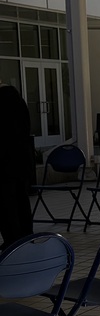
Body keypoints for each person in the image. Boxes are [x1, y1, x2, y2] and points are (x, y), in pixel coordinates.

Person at [0, 82, 35, 249]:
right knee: (21, 201)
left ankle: (12, 243)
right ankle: (26, 240)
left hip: (4, 163)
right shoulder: (18, 101)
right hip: (22, 160)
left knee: (7, 205)